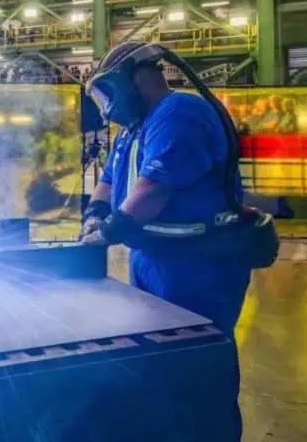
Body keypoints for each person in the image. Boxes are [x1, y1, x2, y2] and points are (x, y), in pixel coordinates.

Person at [80, 41, 252, 441]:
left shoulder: (181, 112)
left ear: (136, 78)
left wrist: (109, 231)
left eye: (108, 92)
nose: (108, 106)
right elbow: (108, 182)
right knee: (159, 368)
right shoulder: (135, 128)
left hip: (199, 266)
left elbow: (153, 190)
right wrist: (94, 215)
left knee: (198, 371)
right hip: (155, 262)